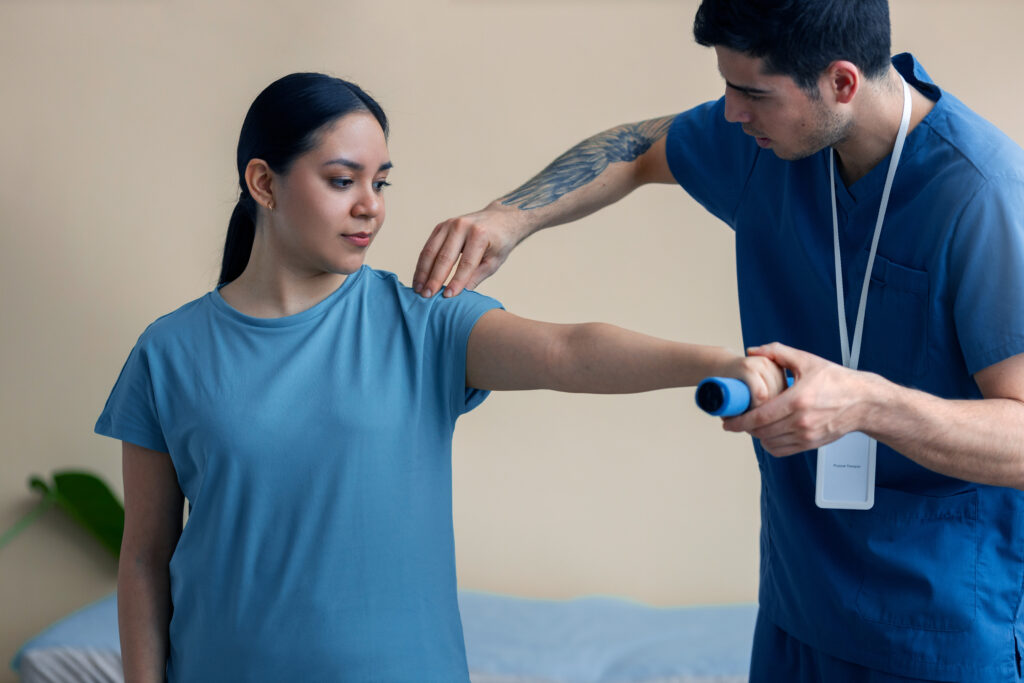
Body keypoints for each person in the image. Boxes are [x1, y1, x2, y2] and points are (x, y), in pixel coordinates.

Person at [95, 72, 785, 683]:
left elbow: (569, 351)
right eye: (343, 180)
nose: (371, 205)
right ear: (264, 183)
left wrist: (717, 362)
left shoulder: (422, 322)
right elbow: (145, 558)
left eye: (380, 181)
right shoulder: (170, 351)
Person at [411, 1, 1024, 681]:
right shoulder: (774, 143)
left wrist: (867, 404)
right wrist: (507, 217)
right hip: (797, 605)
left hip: (935, 631)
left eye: (752, 93)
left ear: (842, 82)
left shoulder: (984, 197)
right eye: (727, 87)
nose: (730, 113)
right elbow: (640, 147)